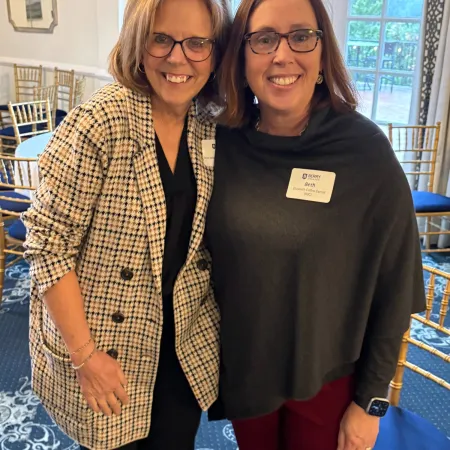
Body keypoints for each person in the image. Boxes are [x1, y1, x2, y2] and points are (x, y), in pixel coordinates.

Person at [206, 0, 425, 449]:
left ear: (323, 52)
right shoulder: (219, 144)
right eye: (264, 38)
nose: (282, 55)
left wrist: (371, 403)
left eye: (301, 36)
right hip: (248, 377)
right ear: (242, 56)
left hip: (330, 384)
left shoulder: (365, 153)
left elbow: (396, 288)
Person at [21, 0, 231, 449]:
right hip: (106, 350)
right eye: (162, 39)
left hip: (182, 347)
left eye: (197, 43)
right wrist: (85, 357)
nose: (178, 58)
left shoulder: (208, 124)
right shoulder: (101, 121)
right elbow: (46, 246)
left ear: (215, 53)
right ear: (139, 42)